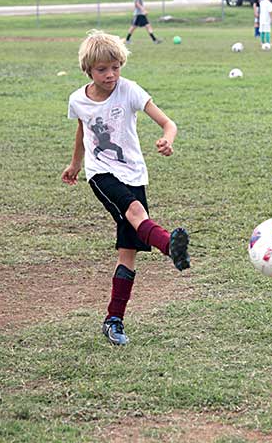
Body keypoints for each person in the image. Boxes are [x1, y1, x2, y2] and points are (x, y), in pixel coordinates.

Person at [61, 30, 190, 346]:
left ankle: (113, 320)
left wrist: (167, 140)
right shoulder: (78, 99)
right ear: (88, 69)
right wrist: (75, 164)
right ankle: (169, 245)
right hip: (101, 174)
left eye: (115, 67)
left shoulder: (129, 90)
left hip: (134, 174)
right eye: (102, 69)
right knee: (134, 210)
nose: (111, 75)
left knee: (128, 253)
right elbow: (82, 131)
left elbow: (168, 123)